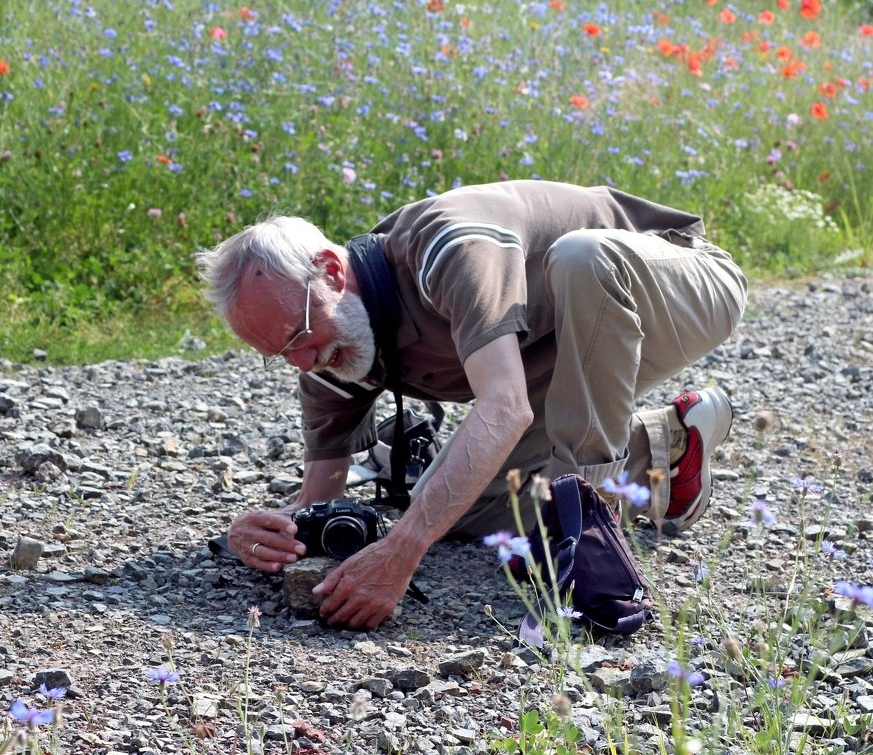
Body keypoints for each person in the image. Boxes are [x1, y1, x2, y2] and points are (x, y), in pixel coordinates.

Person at [196, 180, 747, 629]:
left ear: (332, 272)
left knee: (584, 257)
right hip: (563, 344)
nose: (301, 360)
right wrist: (256, 535)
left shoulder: (445, 248)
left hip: (674, 283)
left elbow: (505, 407)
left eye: (297, 335)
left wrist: (403, 551)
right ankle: (665, 451)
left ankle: (591, 532)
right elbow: (322, 502)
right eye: (280, 354)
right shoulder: (330, 349)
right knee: (462, 506)